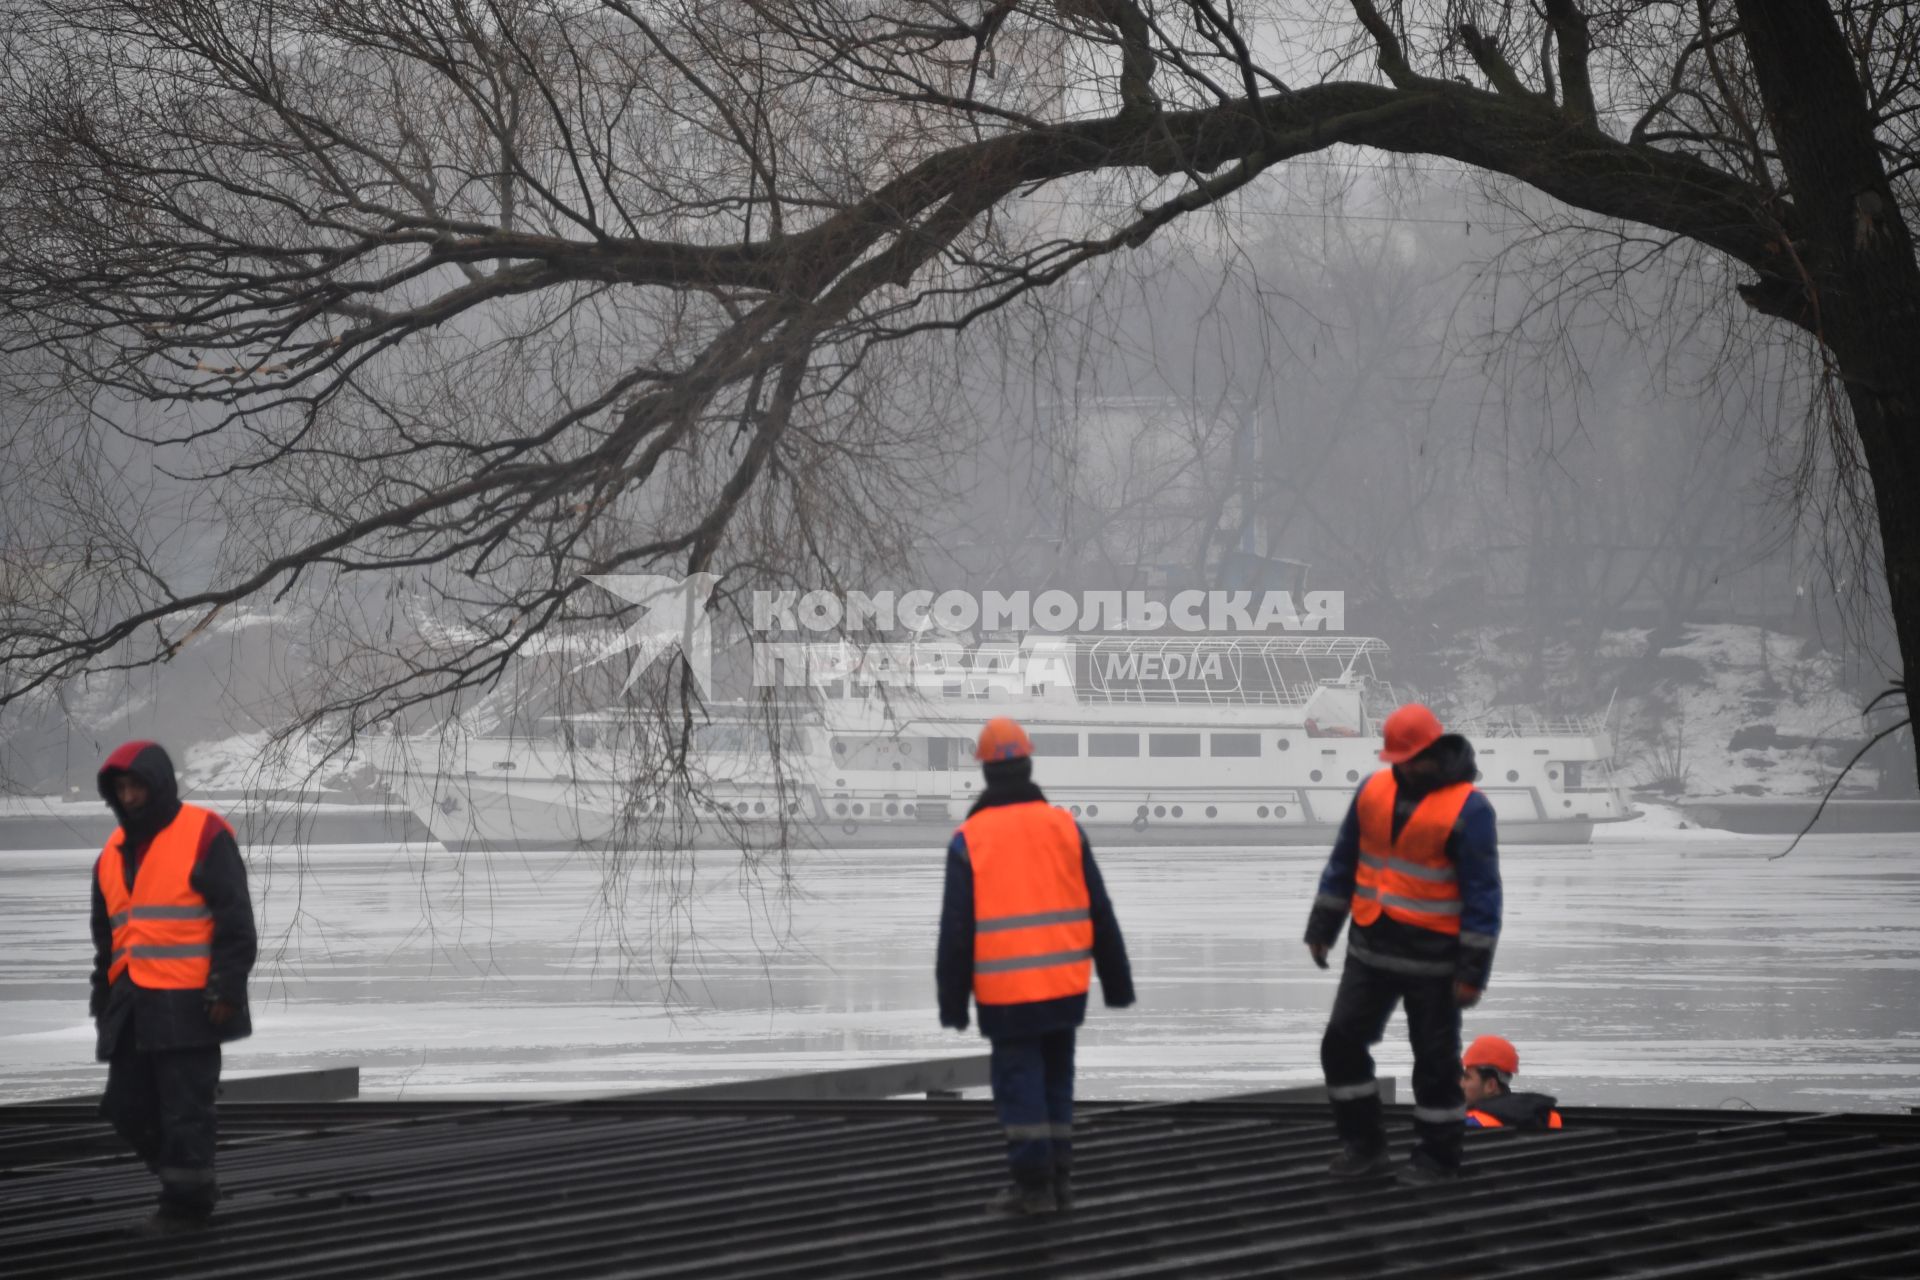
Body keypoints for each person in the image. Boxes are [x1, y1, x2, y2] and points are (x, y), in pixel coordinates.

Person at [936, 717, 1134, 1217]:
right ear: (1028, 763)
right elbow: (1100, 908)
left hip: (1007, 993)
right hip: (1065, 987)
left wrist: (952, 1002)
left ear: (985, 772)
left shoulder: (970, 838)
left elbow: (957, 930)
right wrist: (1116, 981)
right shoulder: (1065, 826)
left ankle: (1032, 1187)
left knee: (1018, 1083)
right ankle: (1061, 1181)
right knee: (1056, 1081)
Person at [1303, 703, 1502, 1185]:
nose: (1405, 768)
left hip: (1434, 962)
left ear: (1435, 750)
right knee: (1340, 1046)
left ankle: (1438, 1160)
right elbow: (1345, 860)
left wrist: (1472, 971)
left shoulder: (1469, 809)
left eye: (1412, 758)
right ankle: (1364, 1146)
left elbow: (1483, 894)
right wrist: (1322, 927)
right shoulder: (1373, 790)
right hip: (1369, 949)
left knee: (1435, 1067)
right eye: (1398, 759)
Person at [89, 741, 257, 1233]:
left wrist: (226, 988)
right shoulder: (111, 854)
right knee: (125, 1105)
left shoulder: (204, 834)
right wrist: (103, 1001)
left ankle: (185, 1207)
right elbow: (109, 940)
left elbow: (236, 923)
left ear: (159, 785)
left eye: (137, 784)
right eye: (121, 788)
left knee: (186, 1108)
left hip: (192, 1003)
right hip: (132, 1002)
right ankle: (192, 1183)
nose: (130, 795)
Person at [1462, 1035, 1563, 1130]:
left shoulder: (1471, 1123)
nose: (1460, 1084)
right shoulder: (1549, 1116)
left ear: (1490, 1085)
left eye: (1467, 1078)